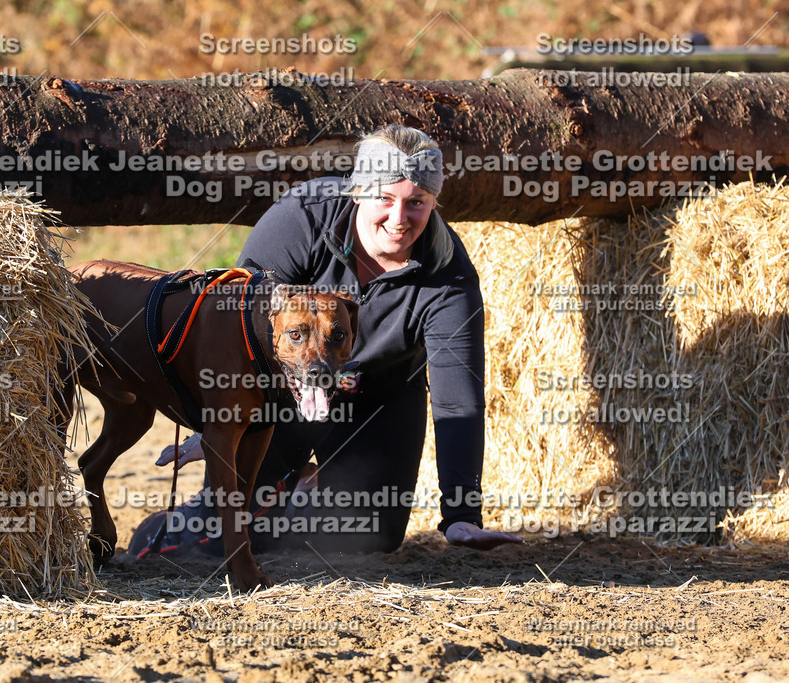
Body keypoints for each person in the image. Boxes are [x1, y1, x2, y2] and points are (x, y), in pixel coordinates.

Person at [129, 124, 523, 557]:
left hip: (378, 399)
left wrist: (461, 513)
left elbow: (458, 400)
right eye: (384, 199)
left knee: (367, 539)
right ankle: (204, 516)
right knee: (229, 533)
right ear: (357, 193)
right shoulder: (303, 216)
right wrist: (220, 421)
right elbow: (235, 330)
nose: (398, 219)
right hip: (279, 393)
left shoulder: (450, 279)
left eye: (417, 203)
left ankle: (303, 495)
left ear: (434, 203)